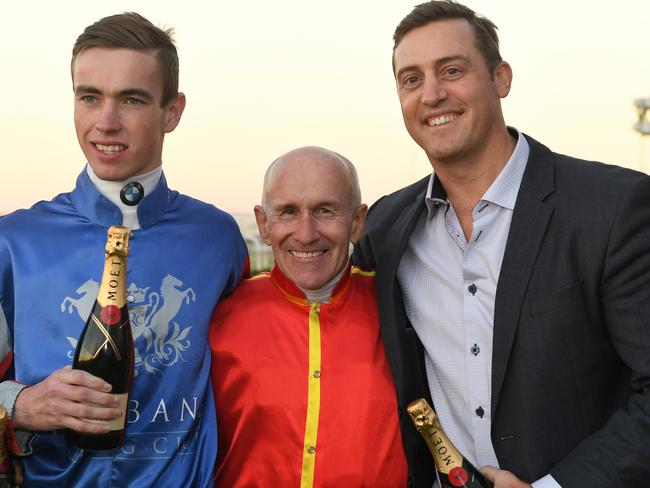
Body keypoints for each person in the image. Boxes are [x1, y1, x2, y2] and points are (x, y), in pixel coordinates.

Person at [352, 2, 650, 487]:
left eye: (451, 70)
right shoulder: (385, 228)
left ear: (501, 78)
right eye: (411, 79)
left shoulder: (612, 208)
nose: (431, 94)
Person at [0, 12, 247, 486]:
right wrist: (21, 405)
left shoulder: (218, 238)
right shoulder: (14, 242)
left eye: (131, 99)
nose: (106, 122)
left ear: (172, 111)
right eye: (89, 97)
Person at [209, 146, 407, 487]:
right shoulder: (217, 318)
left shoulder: (401, 310)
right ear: (263, 223)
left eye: (325, 211)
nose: (306, 233)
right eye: (287, 212)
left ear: (358, 221)